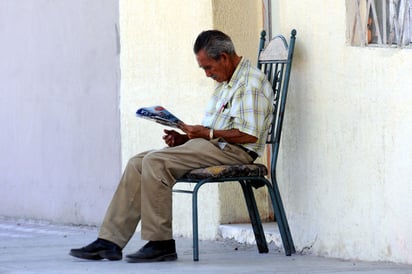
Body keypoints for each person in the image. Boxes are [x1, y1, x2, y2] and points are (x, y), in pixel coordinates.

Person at [69, 30, 274, 263]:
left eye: (208, 67)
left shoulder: (251, 83)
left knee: (155, 162)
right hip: (214, 146)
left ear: (224, 58)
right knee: (138, 162)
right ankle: (110, 241)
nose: (207, 74)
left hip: (235, 152)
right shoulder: (227, 81)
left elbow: (248, 134)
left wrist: (206, 133)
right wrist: (185, 139)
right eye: (204, 69)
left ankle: (161, 243)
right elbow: (213, 132)